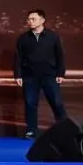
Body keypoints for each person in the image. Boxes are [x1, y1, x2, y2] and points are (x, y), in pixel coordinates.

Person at [14, 8, 67, 139]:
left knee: (56, 102)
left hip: (49, 75)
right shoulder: (23, 38)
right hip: (30, 76)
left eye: (33, 19)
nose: (30, 21)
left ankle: (65, 128)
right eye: (29, 19)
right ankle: (31, 130)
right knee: (30, 103)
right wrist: (18, 75)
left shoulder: (53, 36)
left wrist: (60, 73)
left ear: (42, 20)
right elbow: (18, 58)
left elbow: (60, 55)